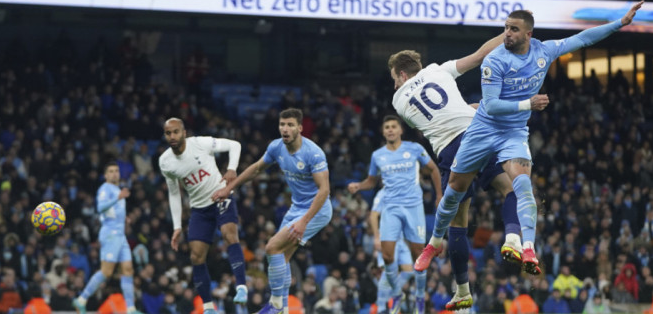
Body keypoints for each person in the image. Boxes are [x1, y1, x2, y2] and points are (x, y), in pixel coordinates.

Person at [414, 1, 645, 279]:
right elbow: (492, 105)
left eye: (513, 29)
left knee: (522, 183)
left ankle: (528, 248)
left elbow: (582, 38)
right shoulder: (495, 60)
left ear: (528, 35)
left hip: (513, 134)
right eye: (505, 28)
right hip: (483, 130)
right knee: (453, 191)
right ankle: (434, 243)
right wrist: (528, 104)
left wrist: (620, 22)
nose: (507, 34)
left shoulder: (543, 51)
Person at [388, 33, 521, 310]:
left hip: (451, 150)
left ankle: (462, 290)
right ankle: (513, 237)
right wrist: (506, 34)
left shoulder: (398, 101)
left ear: (401, 75)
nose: (394, 83)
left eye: (393, 78)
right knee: (510, 189)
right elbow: (480, 55)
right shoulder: (438, 69)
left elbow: (436, 119)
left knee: (458, 225)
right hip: (478, 133)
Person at [211, 108, 332, 314]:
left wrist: (303, 222)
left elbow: (324, 190)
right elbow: (257, 168)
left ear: (300, 128)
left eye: (290, 125)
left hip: (316, 210)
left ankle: (276, 304)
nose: (285, 129)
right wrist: (229, 188)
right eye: (282, 124)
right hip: (296, 207)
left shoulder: (313, 153)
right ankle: (282, 308)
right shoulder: (276, 147)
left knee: (271, 248)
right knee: (281, 258)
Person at [348, 115, 442, 314]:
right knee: (387, 255)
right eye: (387, 127)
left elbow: (433, 169)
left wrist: (439, 195)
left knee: (419, 254)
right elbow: (372, 181)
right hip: (391, 208)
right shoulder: (377, 155)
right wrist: (359, 186)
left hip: (413, 207)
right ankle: (397, 294)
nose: (390, 130)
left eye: (393, 127)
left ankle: (419, 297)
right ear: (383, 132)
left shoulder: (414, 149)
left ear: (400, 130)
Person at [158, 118, 247, 314]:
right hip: (199, 209)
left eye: (175, 132)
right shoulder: (165, 161)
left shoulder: (199, 143)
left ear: (184, 133)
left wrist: (232, 168)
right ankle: (208, 307)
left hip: (221, 196)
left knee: (229, 234)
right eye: (168, 133)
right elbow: (174, 193)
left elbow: (234, 145)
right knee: (196, 256)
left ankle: (241, 286)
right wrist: (176, 226)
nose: (172, 136)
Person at [73, 162, 142, 314]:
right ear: (105, 175)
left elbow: (113, 211)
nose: (114, 173)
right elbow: (100, 207)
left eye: (116, 171)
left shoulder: (117, 189)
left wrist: (124, 219)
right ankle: (81, 299)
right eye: (110, 171)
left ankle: (131, 309)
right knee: (107, 272)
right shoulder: (105, 189)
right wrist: (118, 197)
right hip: (110, 234)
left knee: (128, 270)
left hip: (120, 235)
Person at [369, 187, 417, 314]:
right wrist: (376, 237)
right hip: (387, 237)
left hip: (400, 239)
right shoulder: (382, 193)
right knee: (388, 273)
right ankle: (381, 307)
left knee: (409, 271)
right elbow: (373, 215)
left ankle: (393, 295)